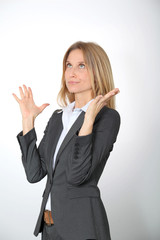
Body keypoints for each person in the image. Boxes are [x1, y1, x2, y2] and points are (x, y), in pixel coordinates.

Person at [13, 41, 120, 240]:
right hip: (50, 228)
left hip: (81, 228)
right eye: (68, 65)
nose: (71, 73)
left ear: (97, 71)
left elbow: (76, 176)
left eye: (81, 66)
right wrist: (28, 122)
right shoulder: (58, 117)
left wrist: (88, 120)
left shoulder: (107, 118)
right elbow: (34, 173)